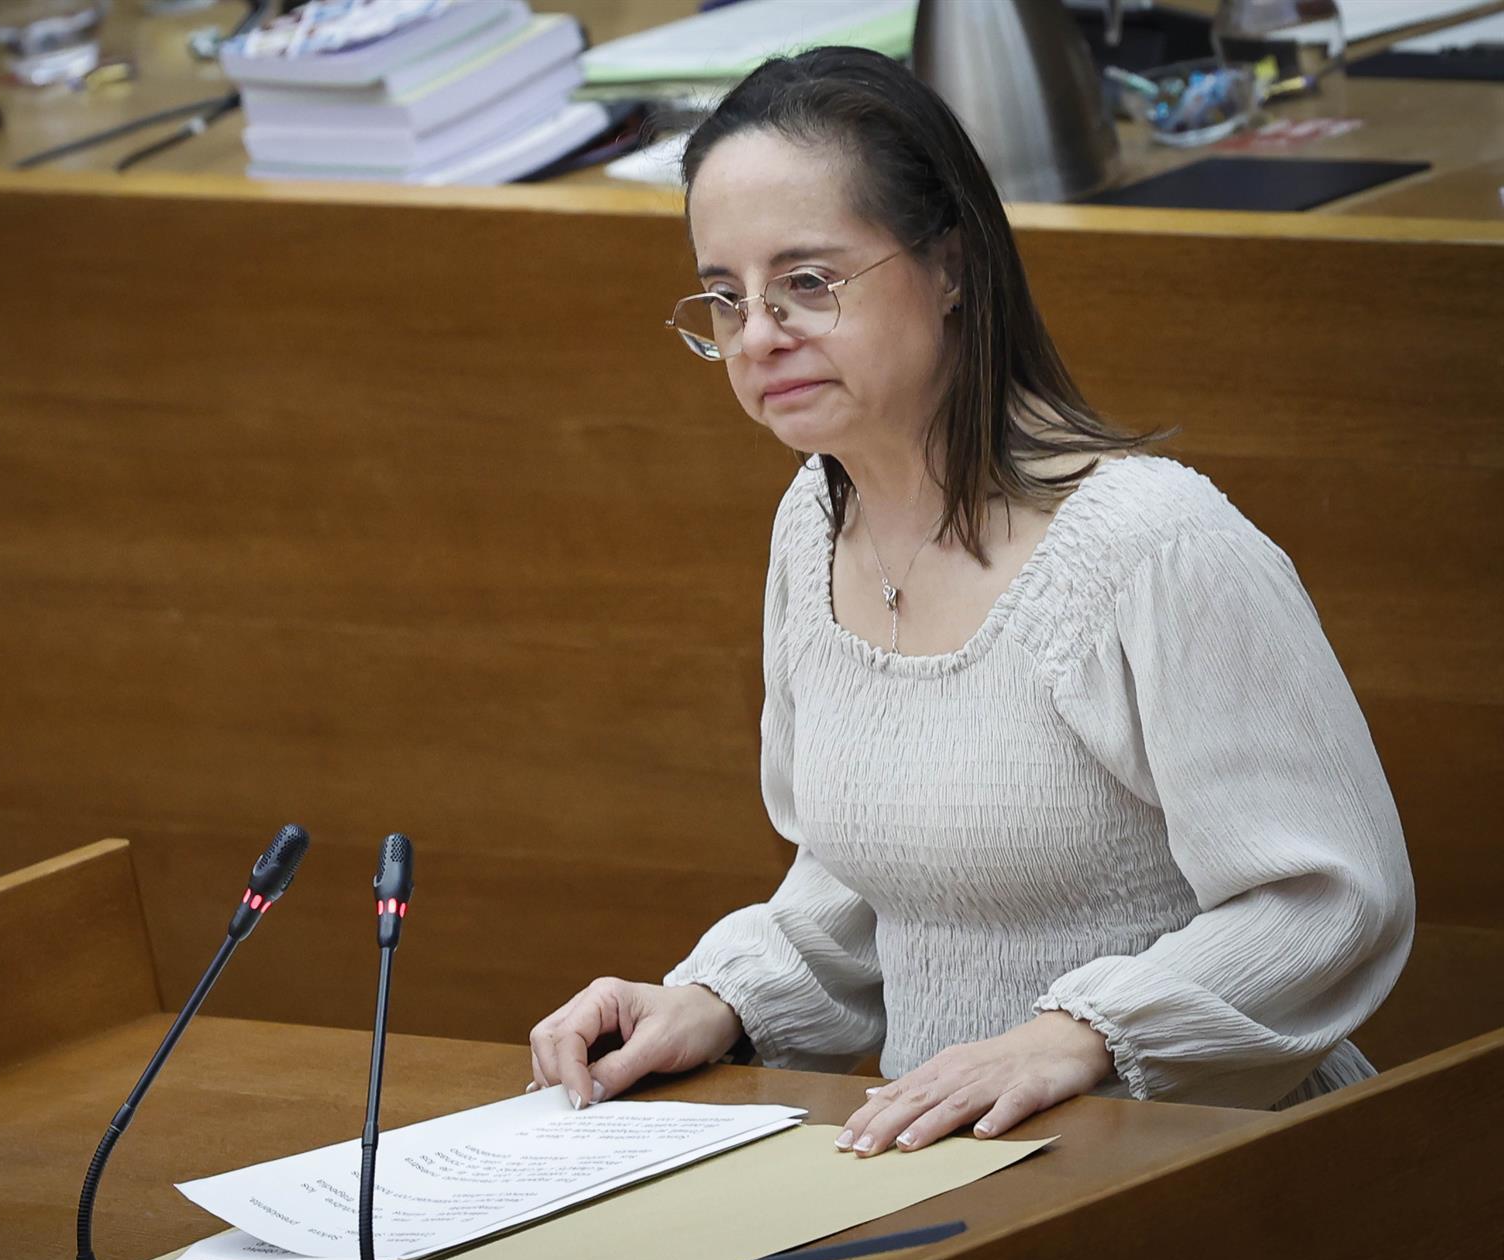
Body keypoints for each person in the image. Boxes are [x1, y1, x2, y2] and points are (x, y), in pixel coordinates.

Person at [526, 47, 1413, 1158]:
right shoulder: (814, 527)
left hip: (1213, 1168)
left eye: (807, 282)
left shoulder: (1155, 547)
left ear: (949, 265)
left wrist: (1080, 1032)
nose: (756, 336)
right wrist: (718, 1000)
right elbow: (874, 883)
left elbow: (1330, 900)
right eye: (724, 296)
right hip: (955, 1171)